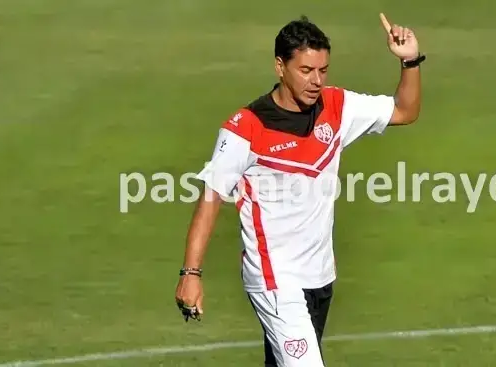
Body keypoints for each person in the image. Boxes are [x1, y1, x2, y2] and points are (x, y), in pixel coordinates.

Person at [174, 13, 424, 367]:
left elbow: (404, 110)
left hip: (321, 274)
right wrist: (191, 274)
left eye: (323, 70)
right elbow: (211, 196)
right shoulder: (246, 128)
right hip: (274, 278)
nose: (316, 80)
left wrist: (409, 60)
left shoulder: (338, 107)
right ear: (280, 66)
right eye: (306, 70)